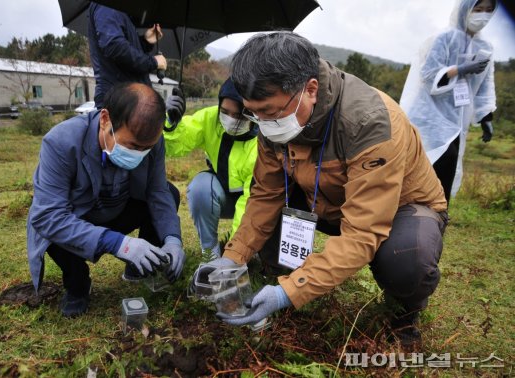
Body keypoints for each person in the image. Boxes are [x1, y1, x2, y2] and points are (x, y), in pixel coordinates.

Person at [191, 32, 448, 346]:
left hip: (398, 208)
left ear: (310, 90)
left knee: (407, 259)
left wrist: (289, 292)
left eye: (269, 113)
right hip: (325, 199)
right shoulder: (274, 117)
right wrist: (234, 257)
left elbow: (363, 231)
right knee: (272, 210)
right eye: (253, 113)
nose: (262, 123)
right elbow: (267, 193)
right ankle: (278, 271)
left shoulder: (370, 122)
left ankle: (405, 311)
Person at [27, 83, 185, 317]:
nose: (139, 154)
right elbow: (48, 216)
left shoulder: (154, 140)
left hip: (118, 209)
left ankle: (139, 266)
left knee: (170, 194)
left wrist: (173, 240)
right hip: (78, 218)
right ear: (105, 120)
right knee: (51, 232)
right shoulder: (61, 142)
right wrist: (120, 244)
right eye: (132, 146)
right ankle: (78, 285)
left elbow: (157, 191)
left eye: (146, 148)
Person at [400, 0, 497, 203]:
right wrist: (460, 69)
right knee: (425, 166)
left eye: (489, 10)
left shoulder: (485, 47)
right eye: (478, 10)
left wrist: (486, 116)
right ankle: (412, 217)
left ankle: (438, 219)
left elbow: (486, 84)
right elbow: (427, 76)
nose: (483, 16)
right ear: (465, 10)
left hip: (456, 118)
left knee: (448, 169)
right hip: (429, 116)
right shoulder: (444, 38)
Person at [164, 79, 258, 259]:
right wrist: (172, 124)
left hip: (252, 202)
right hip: (220, 193)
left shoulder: (262, 141)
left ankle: (248, 249)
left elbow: (251, 201)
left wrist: (235, 250)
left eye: (238, 115)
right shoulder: (209, 118)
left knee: (253, 232)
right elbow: (175, 147)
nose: (230, 120)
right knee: (200, 187)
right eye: (224, 112)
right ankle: (210, 251)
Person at [88, 2, 167, 108]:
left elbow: (121, 48)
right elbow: (114, 46)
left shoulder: (119, 8)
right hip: (120, 101)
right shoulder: (107, 5)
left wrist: (145, 42)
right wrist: (153, 62)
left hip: (127, 99)